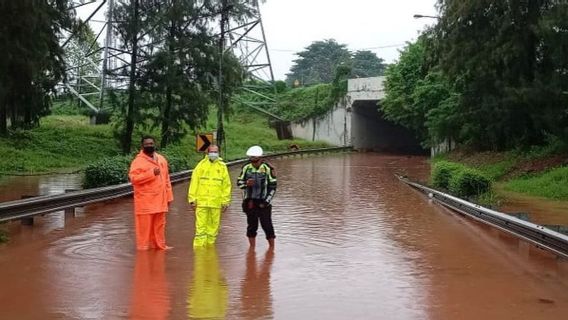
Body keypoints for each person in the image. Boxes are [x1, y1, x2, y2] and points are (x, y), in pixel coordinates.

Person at [128, 135, 174, 251]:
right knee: (144, 228)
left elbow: (166, 179)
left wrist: (169, 197)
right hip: (145, 202)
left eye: (151, 143)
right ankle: (143, 250)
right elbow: (134, 179)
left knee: (159, 226)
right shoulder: (138, 162)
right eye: (147, 144)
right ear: (142, 146)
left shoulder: (161, 159)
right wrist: (151, 173)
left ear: (155, 144)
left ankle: (160, 246)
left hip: (160, 201)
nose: (149, 146)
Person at [188, 145, 232, 246]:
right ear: (207, 153)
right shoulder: (201, 165)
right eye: (211, 151)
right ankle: (199, 250)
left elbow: (226, 185)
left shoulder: (222, 167)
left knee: (213, 227)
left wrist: (225, 201)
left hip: (216, 203)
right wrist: (192, 199)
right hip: (201, 202)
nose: (213, 154)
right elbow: (194, 182)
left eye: (215, 152)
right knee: (200, 227)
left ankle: (210, 248)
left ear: (219, 153)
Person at [237, 145, 277, 249]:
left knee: (267, 226)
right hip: (250, 202)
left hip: (264, 201)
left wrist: (266, 201)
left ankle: (272, 249)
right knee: (251, 226)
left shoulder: (268, 168)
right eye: (252, 161)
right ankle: (252, 249)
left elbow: (273, 186)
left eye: (256, 161)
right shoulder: (246, 168)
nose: (254, 163)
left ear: (261, 159)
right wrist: (246, 184)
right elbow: (239, 183)